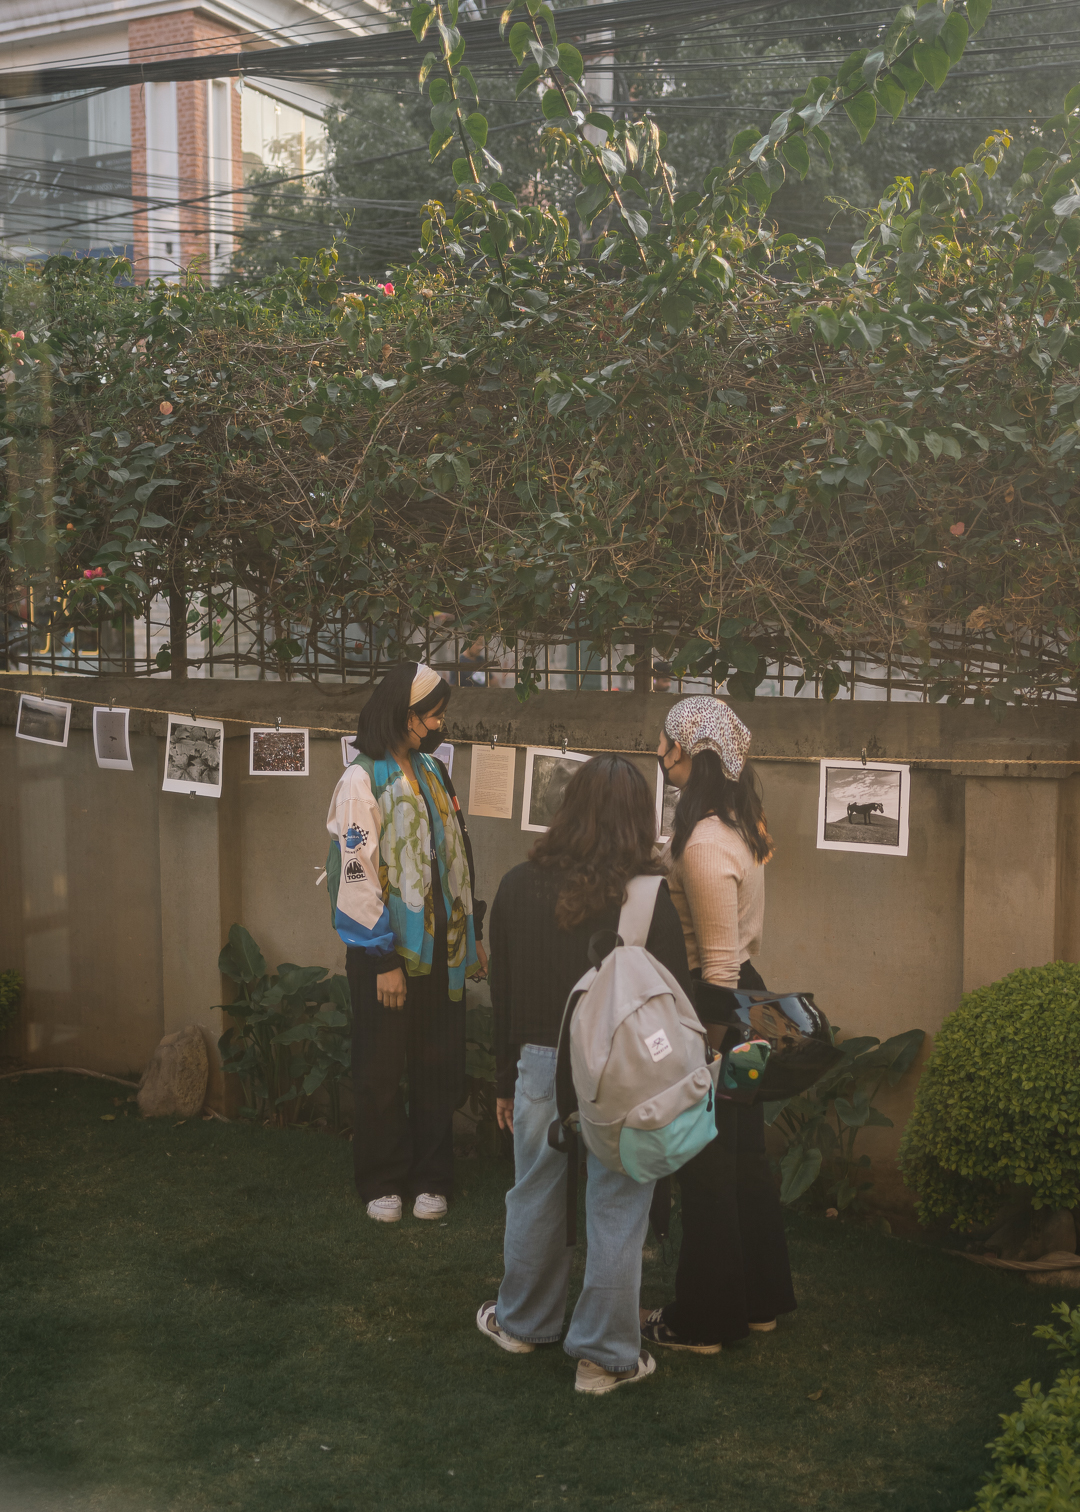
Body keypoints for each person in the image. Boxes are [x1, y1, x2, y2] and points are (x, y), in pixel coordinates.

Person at [476, 756, 693, 1395]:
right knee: (620, 1205)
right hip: (621, 1078)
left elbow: (505, 999)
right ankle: (603, 1358)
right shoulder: (652, 901)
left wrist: (501, 1082)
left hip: (540, 1063)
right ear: (640, 820)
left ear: (567, 808)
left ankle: (521, 1324)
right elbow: (677, 1003)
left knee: (535, 1193)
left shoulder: (517, 886)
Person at [641, 696, 796, 1353]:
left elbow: (721, 965)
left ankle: (704, 1321)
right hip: (748, 1008)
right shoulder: (736, 822)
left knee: (707, 1167)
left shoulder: (704, 844)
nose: (658, 753)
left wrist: (705, 1047)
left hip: (718, 1009)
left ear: (689, 752)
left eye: (665, 742)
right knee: (746, 1162)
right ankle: (761, 1301)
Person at [326, 661, 486, 1223]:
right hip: (388, 957)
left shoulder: (431, 771)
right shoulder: (359, 781)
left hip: (442, 954)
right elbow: (356, 876)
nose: (441, 721)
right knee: (379, 1070)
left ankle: (431, 1178)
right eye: (433, 713)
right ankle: (381, 1180)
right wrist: (382, 959)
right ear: (405, 714)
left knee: (437, 1068)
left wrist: (473, 936)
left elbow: (454, 856)